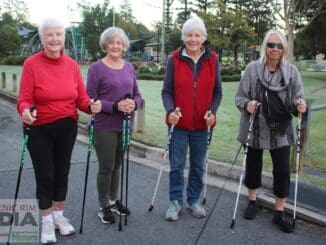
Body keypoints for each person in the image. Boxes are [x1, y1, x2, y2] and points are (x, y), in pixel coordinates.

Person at [17, 17, 101, 244]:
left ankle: (59, 217)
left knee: (62, 172)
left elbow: (81, 97)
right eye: (49, 35)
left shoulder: (72, 65)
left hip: (67, 127)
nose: (54, 39)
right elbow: (24, 99)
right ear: (42, 38)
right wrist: (25, 111)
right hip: (39, 127)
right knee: (46, 175)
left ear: (63, 37)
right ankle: (45, 222)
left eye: (58, 34)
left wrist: (90, 105)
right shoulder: (31, 64)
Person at [235, 29, 307, 233]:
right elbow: (239, 98)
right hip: (255, 126)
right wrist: (247, 105)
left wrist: (301, 106)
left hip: (281, 129)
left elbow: (298, 99)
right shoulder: (251, 70)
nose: (275, 49)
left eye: (279, 45)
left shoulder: (291, 72)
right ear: (264, 47)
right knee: (253, 165)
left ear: (284, 49)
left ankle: (279, 211)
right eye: (271, 45)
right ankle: (252, 201)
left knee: (282, 171)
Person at [161, 17, 222, 221]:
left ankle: (194, 200)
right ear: (183, 37)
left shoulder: (212, 59)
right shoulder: (174, 59)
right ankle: (175, 201)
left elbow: (218, 92)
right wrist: (170, 111)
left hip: (202, 126)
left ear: (203, 37)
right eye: (189, 35)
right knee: (176, 165)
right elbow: (166, 91)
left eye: (197, 35)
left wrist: (212, 111)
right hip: (178, 124)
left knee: (197, 165)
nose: (193, 39)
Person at [86, 27, 142, 224]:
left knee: (118, 165)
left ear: (124, 46)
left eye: (119, 42)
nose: (116, 45)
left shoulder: (129, 67)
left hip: (125, 125)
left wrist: (134, 103)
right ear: (106, 45)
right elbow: (90, 99)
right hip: (104, 125)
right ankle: (103, 205)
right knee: (107, 165)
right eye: (112, 42)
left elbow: (137, 94)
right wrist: (115, 106)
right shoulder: (96, 68)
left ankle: (113, 199)